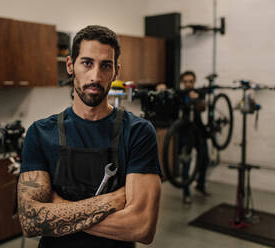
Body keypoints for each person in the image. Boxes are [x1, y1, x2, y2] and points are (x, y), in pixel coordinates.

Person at [18, 25, 162, 248]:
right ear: (70, 65)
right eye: (87, 63)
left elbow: (141, 227)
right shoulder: (40, 133)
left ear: (116, 72)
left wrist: (58, 209)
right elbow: (30, 221)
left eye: (106, 66)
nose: (95, 76)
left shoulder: (138, 132)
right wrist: (111, 200)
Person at [179, 71, 210, 204]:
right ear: (182, 83)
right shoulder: (180, 94)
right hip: (186, 132)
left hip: (199, 130)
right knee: (186, 163)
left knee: (205, 159)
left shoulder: (199, 93)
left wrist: (197, 100)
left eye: (191, 81)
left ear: (194, 81)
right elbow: (181, 105)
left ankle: (200, 185)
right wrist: (188, 99)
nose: (188, 84)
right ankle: (186, 193)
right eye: (186, 81)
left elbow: (203, 107)